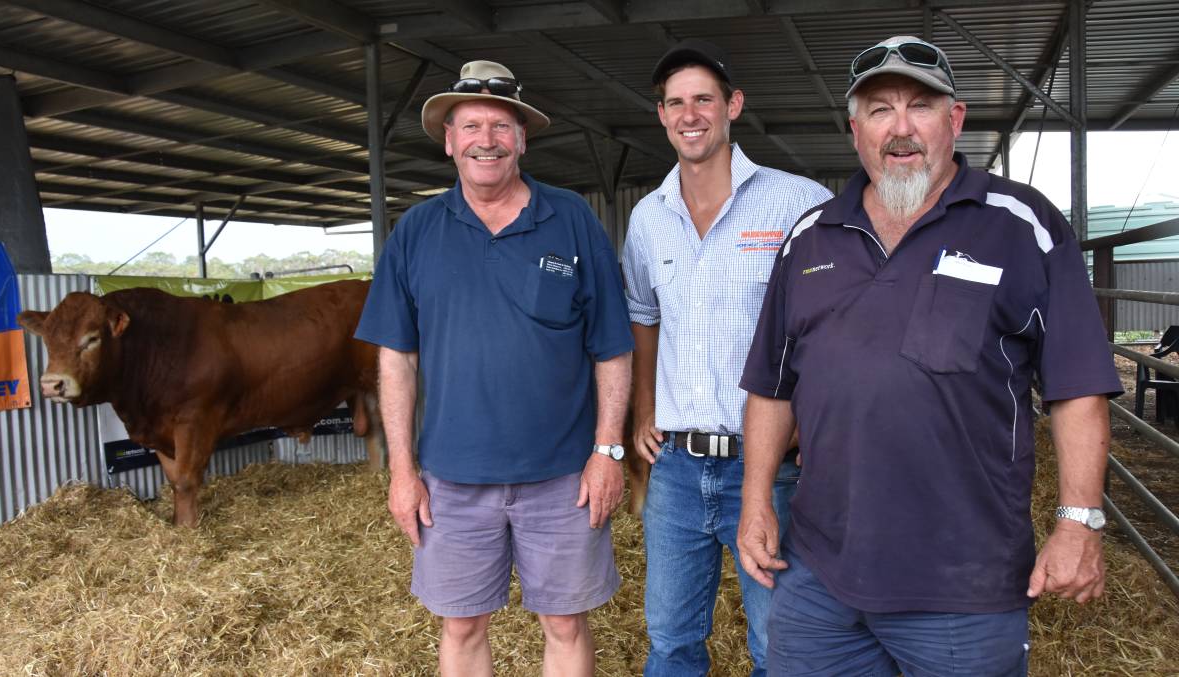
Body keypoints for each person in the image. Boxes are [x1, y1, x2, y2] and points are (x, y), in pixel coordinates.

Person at [736, 35, 1123, 675]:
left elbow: (1077, 385)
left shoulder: (1020, 224)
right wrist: (755, 504)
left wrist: (1079, 520)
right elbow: (772, 387)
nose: (901, 127)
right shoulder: (810, 237)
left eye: (921, 105)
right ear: (854, 128)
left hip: (962, 587)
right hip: (821, 578)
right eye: (880, 109)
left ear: (956, 119)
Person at [355, 60, 634, 677]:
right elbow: (396, 359)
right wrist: (402, 472)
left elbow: (612, 347)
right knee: (462, 622)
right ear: (449, 140)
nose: (488, 139)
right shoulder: (417, 232)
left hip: (563, 476)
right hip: (452, 480)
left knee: (564, 622)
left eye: (502, 125)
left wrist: (607, 452)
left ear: (522, 139)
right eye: (472, 125)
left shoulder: (572, 221)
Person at [621, 40, 833, 676]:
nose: (690, 114)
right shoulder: (647, 218)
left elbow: (831, 326)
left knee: (780, 645)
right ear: (661, 115)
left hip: (771, 468)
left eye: (704, 100)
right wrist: (644, 411)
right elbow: (643, 314)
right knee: (672, 644)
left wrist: (813, 424)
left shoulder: (799, 203)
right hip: (678, 471)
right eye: (676, 103)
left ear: (733, 106)